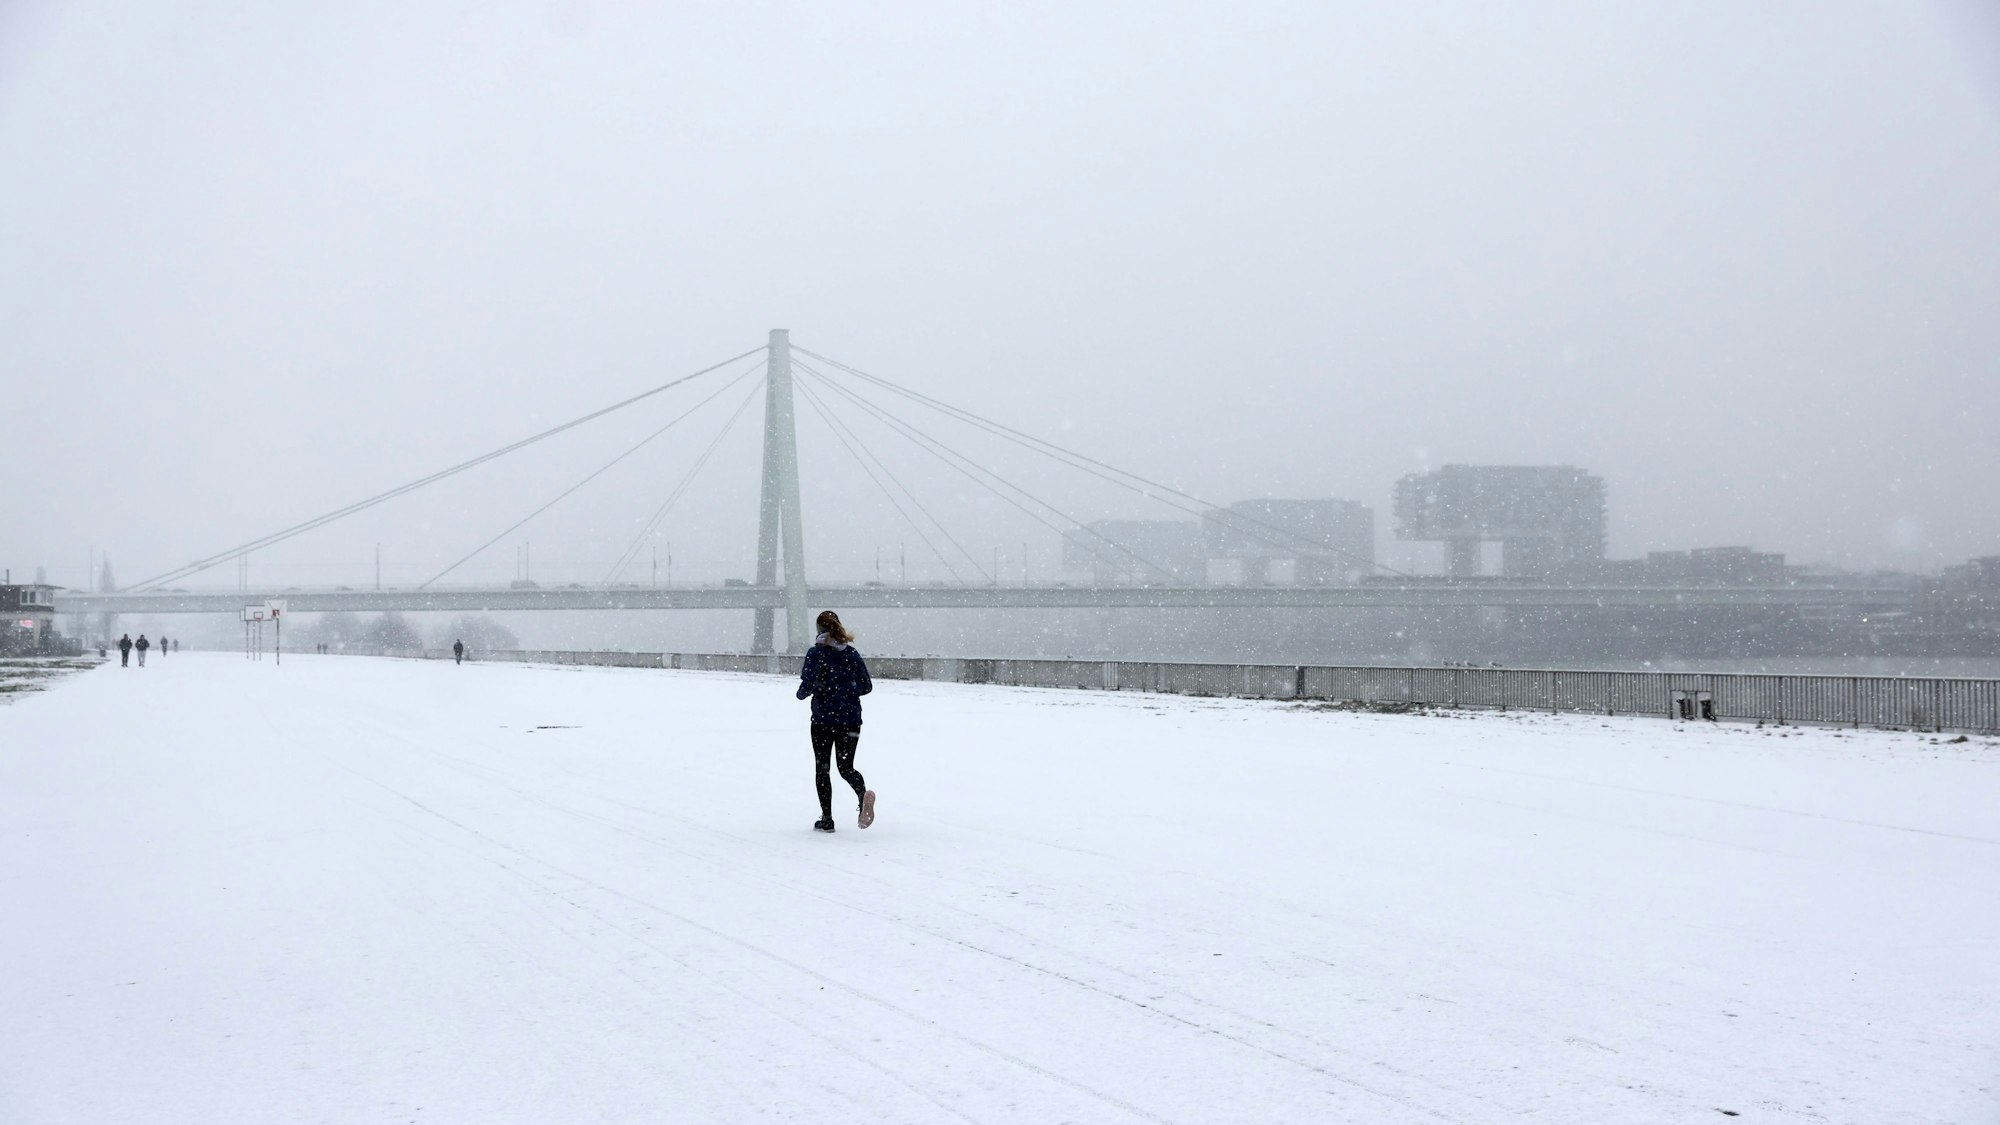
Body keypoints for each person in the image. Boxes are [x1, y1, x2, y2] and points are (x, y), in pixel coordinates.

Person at [795, 610, 876, 832]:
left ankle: (827, 819)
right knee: (846, 767)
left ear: (819, 631)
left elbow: (806, 687)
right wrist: (847, 692)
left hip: (823, 720)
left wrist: (805, 692)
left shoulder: (815, 653)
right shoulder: (852, 654)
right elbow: (867, 686)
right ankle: (863, 796)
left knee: (823, 769)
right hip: (850, 721)